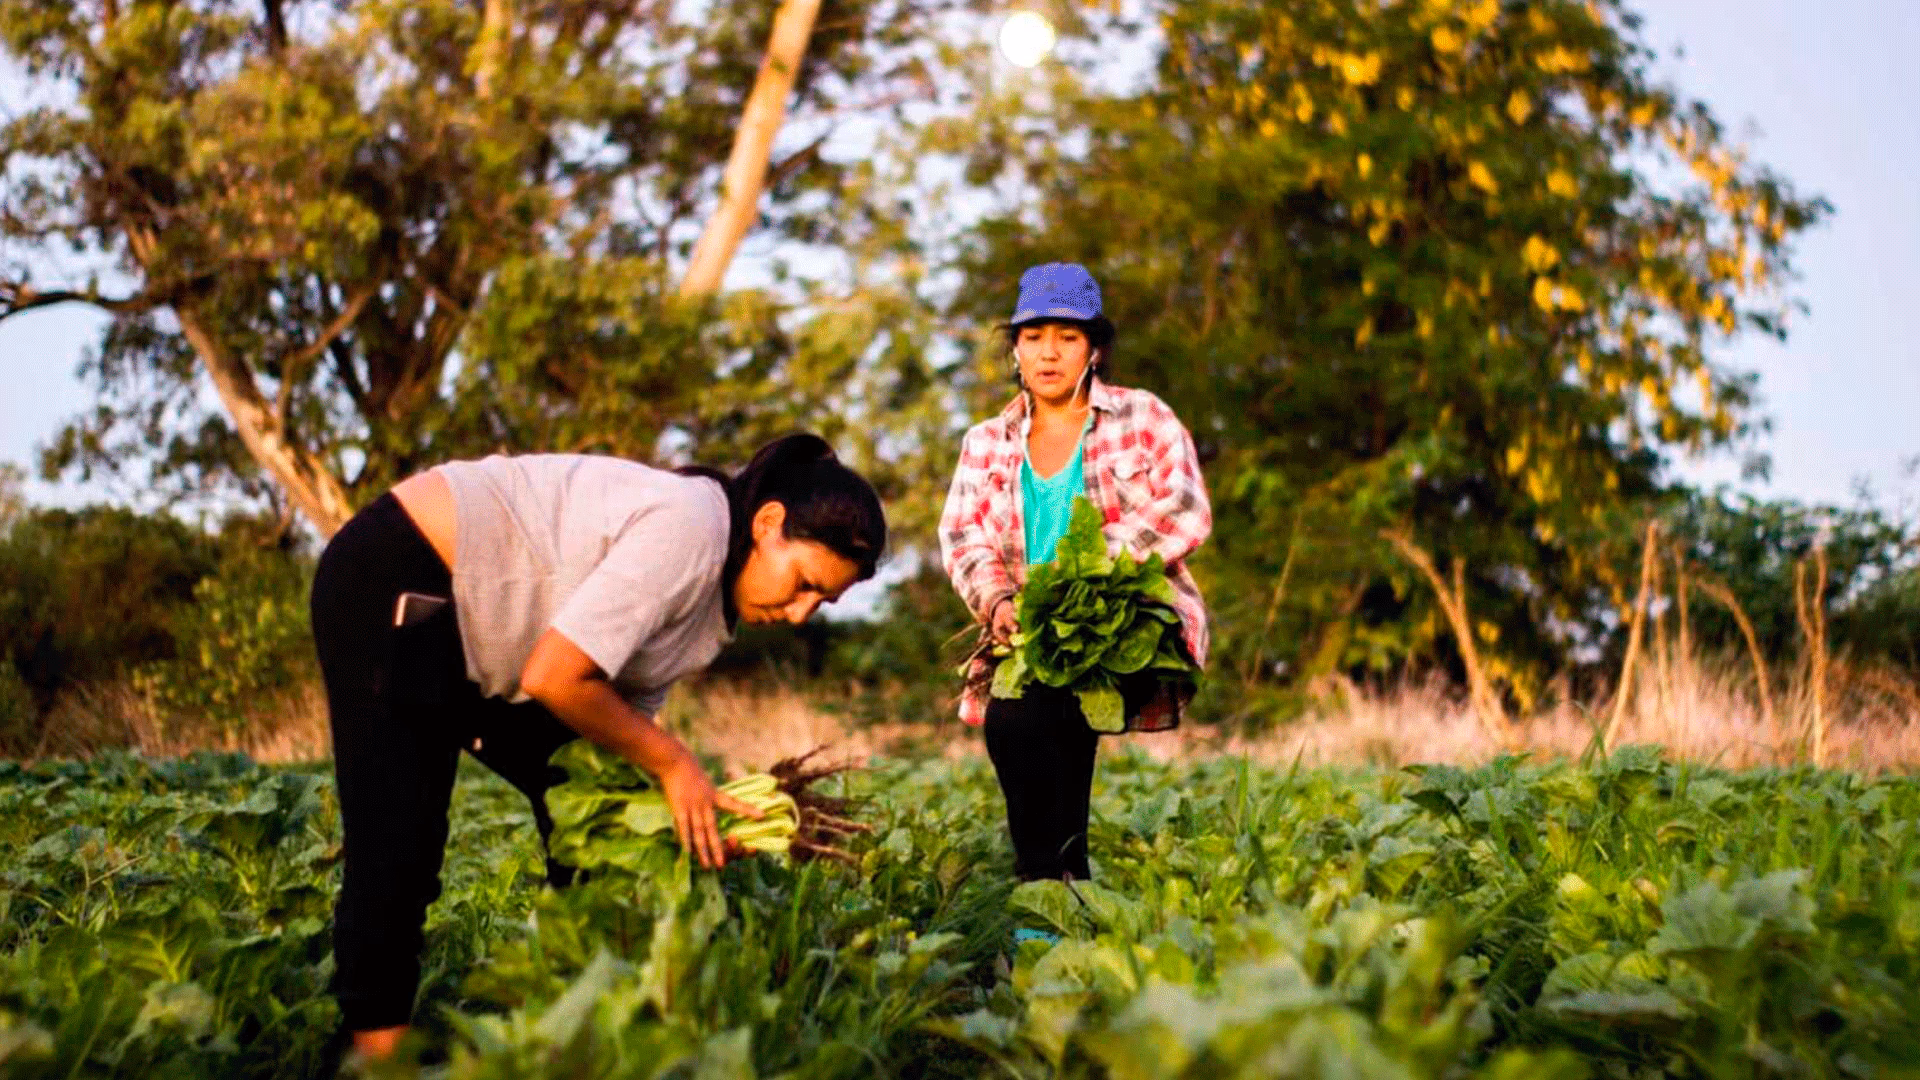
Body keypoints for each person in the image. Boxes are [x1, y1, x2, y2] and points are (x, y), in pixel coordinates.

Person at [309, 434, 886, 1060]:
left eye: (821, 602)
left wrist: (683, 815)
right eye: (803, 582)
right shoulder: (692, 528)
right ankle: (380, 1060)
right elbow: (555, 677)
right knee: (399, 837)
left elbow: (610, 732)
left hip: (477, 627)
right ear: (768, 523)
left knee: (592, 808)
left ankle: (573, 1024)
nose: (801, 613)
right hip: (401, 568)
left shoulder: (711, 615)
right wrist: (674, 761)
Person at [939, 262, 1212, 900]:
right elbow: (963, 534)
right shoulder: (985, 442)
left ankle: (1047, 892)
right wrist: (998, 601)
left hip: (1129, 622)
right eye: (1034, 337)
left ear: (1095, 349)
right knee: (1012, 723)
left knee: (1052, 712)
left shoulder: (1142, 417)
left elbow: (1184, 508)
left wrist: (1085, 577)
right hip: (1033, 633)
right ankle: (1062, 886)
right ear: (1015, 348)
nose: (1049, 353)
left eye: (1067, 337)